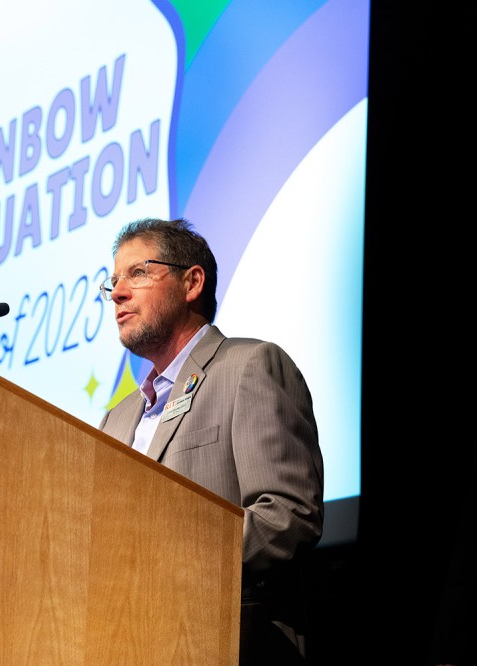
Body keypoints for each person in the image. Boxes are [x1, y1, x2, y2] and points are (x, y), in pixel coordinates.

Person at [98, 217, 324, 665]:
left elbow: (287, 514)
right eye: (114, 281)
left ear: (192, 282)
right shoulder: (116, 417)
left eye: (137, 273)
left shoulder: (250, 366)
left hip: (227, 641)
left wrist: (171, 566)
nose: (119, 293)